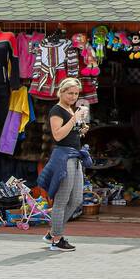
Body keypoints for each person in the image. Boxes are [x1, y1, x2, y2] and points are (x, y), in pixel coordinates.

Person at [42, 77, 90, 252]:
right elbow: (58, 135)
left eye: (76, 93)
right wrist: (74, 119)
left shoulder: (70, 109)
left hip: (75, 156)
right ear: (61, 92)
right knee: (62, 199)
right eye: (70, 93)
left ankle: (52, 233)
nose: (73, 96)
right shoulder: (57, 110)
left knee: (77, 199)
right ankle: (57, 239)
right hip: (64, 157)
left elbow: (70, 133)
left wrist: (81, 129)